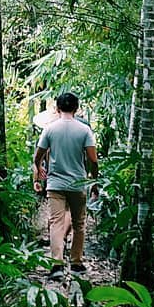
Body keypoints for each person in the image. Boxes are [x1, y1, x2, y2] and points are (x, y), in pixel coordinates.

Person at [32, 91, 98, 278]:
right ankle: (76, 262)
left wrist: (38, 170)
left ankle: (57, 264)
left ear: (58, 108)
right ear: (76, 109)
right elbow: (93, 159)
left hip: (55, 184)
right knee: (79, 224)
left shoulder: (50, 129)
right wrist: (94, 182)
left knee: (56, 224)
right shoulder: (85, 130)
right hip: (78, 184)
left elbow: (38, 155)